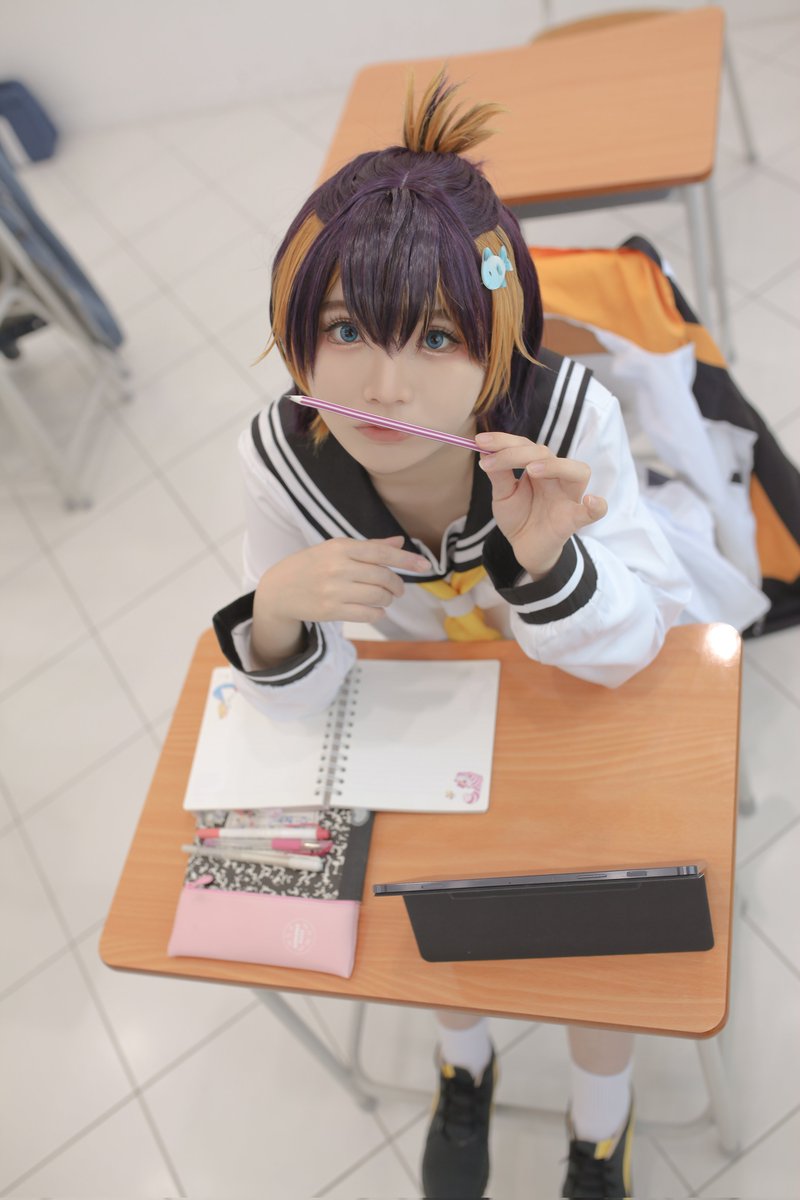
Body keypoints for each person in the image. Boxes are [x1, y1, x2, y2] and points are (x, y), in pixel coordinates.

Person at [212, 69, 692, 1200]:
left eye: (434, 336)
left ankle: (600, 1119)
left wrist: (551, 566)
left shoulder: (568, 422)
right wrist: (276, 612)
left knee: (597, 905)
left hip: (573, 700)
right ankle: (462, 1060)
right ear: (295, 328)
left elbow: (640, 642)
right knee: (426, 899)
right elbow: (299, 704)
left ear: (496, 334)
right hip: (422, 720)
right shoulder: (280, 460)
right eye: (343, 328)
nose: (384, 384)